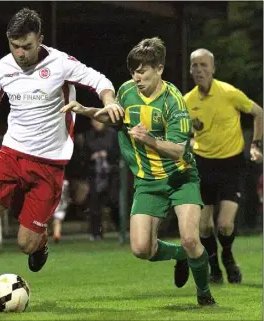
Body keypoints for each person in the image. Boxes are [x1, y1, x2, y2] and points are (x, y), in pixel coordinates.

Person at [0, 7, 123, 308]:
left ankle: (40, 242)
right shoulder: (3, 68)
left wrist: (110, 101)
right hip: (11, 155)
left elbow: (99, 81)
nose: (20, 53)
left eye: (27, 46)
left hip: (48, 164)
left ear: (40, 40)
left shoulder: (61, 64)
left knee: (25, 244)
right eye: (15, 46)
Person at [61, 37, 216, 306]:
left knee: (191, 238)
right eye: (133, 71)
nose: (137, 76)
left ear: (159, 69)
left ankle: (204, 294)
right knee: (141, 249)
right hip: (147, 180)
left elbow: (179, 150)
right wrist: (85, 110)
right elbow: (113, 116)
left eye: (142, 70)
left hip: (180, 177)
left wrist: (149, 140)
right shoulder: (126, 91)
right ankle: (181, 255)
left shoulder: (173, 101)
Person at [184, 48, 263, 284]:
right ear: (190, 70)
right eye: (194, 65)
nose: (199, 70)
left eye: (203, 65)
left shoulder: (229, 93)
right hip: (203, 164)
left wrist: (256, 145)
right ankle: (214, 267)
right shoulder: (187, 101)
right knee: (204, 226)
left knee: (225, 224)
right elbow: (186, 133)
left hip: (231, 163)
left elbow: (259, 112)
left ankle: (227, 257)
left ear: (213, 69)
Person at [84, 119, 120, 240]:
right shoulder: (88, 135)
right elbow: (84, 154)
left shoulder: (112, 134)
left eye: (99, 120)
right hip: (95, 174)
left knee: (114, 201)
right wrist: (93, 156)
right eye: (93, 121)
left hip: (111, 174)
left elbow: (118, 152)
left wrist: (107, 155)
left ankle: (122, 230)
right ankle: (96, 233)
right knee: (94, 205)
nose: (96, 123)